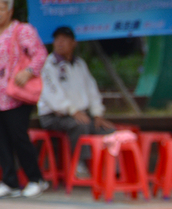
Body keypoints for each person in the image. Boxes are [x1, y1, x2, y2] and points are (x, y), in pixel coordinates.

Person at [38, 26, 114, 176]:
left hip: (82, 114)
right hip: (53, 116)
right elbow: (53, 96)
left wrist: (97, 114)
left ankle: (110, 170)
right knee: (80, 126)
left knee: (109, 131)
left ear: (74, 43)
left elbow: (92, 91)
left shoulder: (80, 64)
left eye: (64, 40)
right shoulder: (47, 66)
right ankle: (79, 165)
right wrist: (72, 111)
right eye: (57, 39)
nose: (60, 43)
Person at [0, 0, 49, 198]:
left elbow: (40, 54)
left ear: (10, 10)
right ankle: (10, 181)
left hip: (16, 95)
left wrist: (28, 72)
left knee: (18, 136)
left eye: (1, 7)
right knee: (1, 140)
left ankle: (36, 179)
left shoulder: (22, 30)